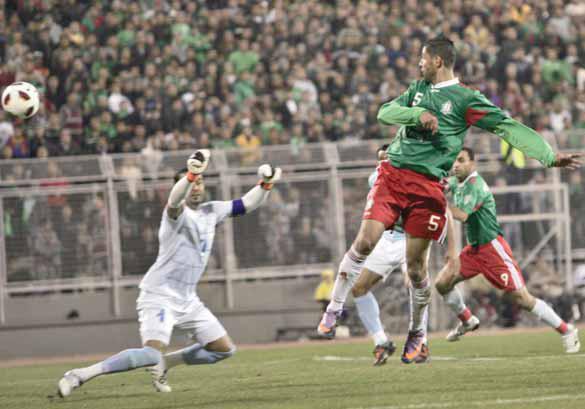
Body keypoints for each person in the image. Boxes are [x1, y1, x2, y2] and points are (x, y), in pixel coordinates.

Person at [317, 35, 581, 364]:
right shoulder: (418, 89)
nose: (419, 64)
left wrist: (547, 155)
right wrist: (416, 115)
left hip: (428, 189)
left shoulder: (466, 99)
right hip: (393, 176)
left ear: (438, 61)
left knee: (417, 271)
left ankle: (417, 334)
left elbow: (506, 126)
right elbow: (385, 112)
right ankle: (334, 309)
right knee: (365, 241)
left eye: (423, 59)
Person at [57, 150, 282, 397]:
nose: (196, 186)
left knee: (223, 349)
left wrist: (265, 184)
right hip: (159, 294)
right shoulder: (175, 215)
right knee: (150, 353)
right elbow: (175, 201)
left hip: (187, 299)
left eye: (200, 182)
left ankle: (165, 364)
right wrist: (191, 175)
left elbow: (247, 203)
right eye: (191, 182)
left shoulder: (211, 211)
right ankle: (79, 375)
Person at [435, 148, 580, 353]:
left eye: (461, 160)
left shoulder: (476, 186)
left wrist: (437, 205)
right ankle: (467, 320)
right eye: (454, 161)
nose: (456, 165)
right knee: (442, 283)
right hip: (473, 250)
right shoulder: (457, 181)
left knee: (522, 299)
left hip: (492, 249)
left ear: (472, 164)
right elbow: (441, 185)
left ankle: (567, 330)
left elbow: (461, 215)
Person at [319, 145, 432, 365]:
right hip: (387, 238)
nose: (387, 159)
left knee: (413, 282)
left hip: (412, 236)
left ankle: (421, 342)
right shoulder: (377, 178)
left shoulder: (418, 173)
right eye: (383, 157)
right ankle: (381, 341)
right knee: (359, 287)